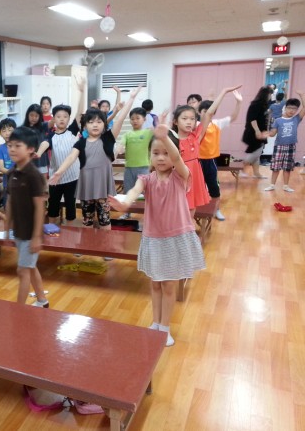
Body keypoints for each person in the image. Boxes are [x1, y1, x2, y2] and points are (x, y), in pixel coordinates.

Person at [109, 115, 205, 347]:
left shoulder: (180, 176)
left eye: (165, 153)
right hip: (153, 238)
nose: (161, 158)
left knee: (169, 285)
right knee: (155, 283)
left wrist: (164, 137)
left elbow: (178, 158)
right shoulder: (147, 178)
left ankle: (165, 328)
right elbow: (134, 191)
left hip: (175, 237)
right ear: (149, 156)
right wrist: (124, 203)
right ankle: (156, 323)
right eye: (156, 153)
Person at [49, 86, 142, 229]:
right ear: (85, 125)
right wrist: (59, 172)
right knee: (87, 221)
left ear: (104, 124)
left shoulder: (108, 138)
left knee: (105, 221)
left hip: (103, 189)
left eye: (99, 122)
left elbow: (121, 118)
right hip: (87, 188)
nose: (95, 125)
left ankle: (105, 243)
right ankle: (87, 242)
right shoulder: (81, 142)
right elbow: (71, 157)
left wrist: (131, 98)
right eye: (91, 122)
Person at [4, 127, 49, 308]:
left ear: (30, 149)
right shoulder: (12, 173)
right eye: (10, 145)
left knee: (22, 270)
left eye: (17, 146)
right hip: (19, 230)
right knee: (30, 267)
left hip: (31, 233)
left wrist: (37, 236)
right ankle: (42, 300)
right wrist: (6, 229)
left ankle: (19, 310)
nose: (12, 149)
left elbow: (40, 207)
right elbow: (9, 202)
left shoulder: (34, 175)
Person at [197, 89, 243, 221]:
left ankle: (216, 209)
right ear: (199, 112)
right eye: (204, 111)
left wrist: (239, 103)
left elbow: (233, 117)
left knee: (214, 186)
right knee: (196, 186)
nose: (207, 113)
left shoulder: (217, 124)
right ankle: (195, 208)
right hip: (196, 161)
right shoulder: (195, 125)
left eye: (210, 111)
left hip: (210, 160)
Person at [36, 104, 80, 224]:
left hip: (72, 177)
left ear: (69, 119)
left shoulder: (72, 131)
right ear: (54, 119)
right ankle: (51, 229)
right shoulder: (51, 135)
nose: (62, 119)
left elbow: (79, 112)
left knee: (70, 205)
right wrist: (39, 153)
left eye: (65, 116)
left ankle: (70, 230)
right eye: (58, 116)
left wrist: (82, 94)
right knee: (53, 206)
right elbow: (45, 143)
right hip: (55, 178)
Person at [115, 103, 152, 219]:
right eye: (132, 119)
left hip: (144, 167)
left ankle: (149, 213)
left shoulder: (148, 133)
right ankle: (127, 212)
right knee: (128, 191)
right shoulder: (127, 134)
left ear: (144, 119)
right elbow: (120, 145)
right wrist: (119, 149)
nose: (135, 121)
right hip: (129, 168)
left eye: (137, 118)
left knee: (147, 192)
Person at [264, 92, 305, 192]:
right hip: (279, 146)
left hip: (291, 146)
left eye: (294, 109)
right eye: (290, 108)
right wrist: (266, 134)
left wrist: (302, 96)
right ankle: (272, 185)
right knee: (276, 167)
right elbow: (273, 133)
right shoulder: (278, 120)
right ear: (285, 108)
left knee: (287, 167)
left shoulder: (296, 119)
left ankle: (286, 186)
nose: (292, 110)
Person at [240, 86, 272, 178]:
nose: (270, 96)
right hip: (254, 133)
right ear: (265, 94)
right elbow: (252, 119)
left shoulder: (264, 105)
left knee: (257, 153)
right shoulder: (256, 104)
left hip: (261, 132)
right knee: (255, 152)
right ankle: (242, 169)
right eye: (270, 94)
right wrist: (257, 131)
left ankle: (256, 173)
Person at [22, 104, 49, 176]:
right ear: (27, 115)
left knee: (42, 182)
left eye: (36, 116)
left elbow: (51, 123)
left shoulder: (43, 126)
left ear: (40, 117)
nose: (33, 118)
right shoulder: (22, 129)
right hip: (28, 162)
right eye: (31, 115)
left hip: (41, 161)